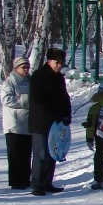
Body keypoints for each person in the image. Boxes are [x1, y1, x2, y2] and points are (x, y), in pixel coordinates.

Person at [28, 47, 72, 196]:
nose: (59, 66)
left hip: (56, 123)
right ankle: (37, 184)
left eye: (61, 63)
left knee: (53, 153)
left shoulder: (59, 78)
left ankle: (47, 182)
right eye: (56, 62)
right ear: (49, 61)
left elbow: (65, 98)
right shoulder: (38, 76)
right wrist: (54, 113)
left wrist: (66, 115)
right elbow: (38, 100)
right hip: (41, 122)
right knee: (40, 154)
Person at [0, 56, 32, 189]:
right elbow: (6, 99)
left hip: (27, 124)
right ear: (16, 68)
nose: (26, 70)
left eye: (28, 67)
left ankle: (25, 178)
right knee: (15, 154)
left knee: (26, 154)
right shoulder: (10, 82)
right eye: (23, 67)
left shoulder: (29, 80)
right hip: (14, 125)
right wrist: (26, 100)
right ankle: (16, 181)